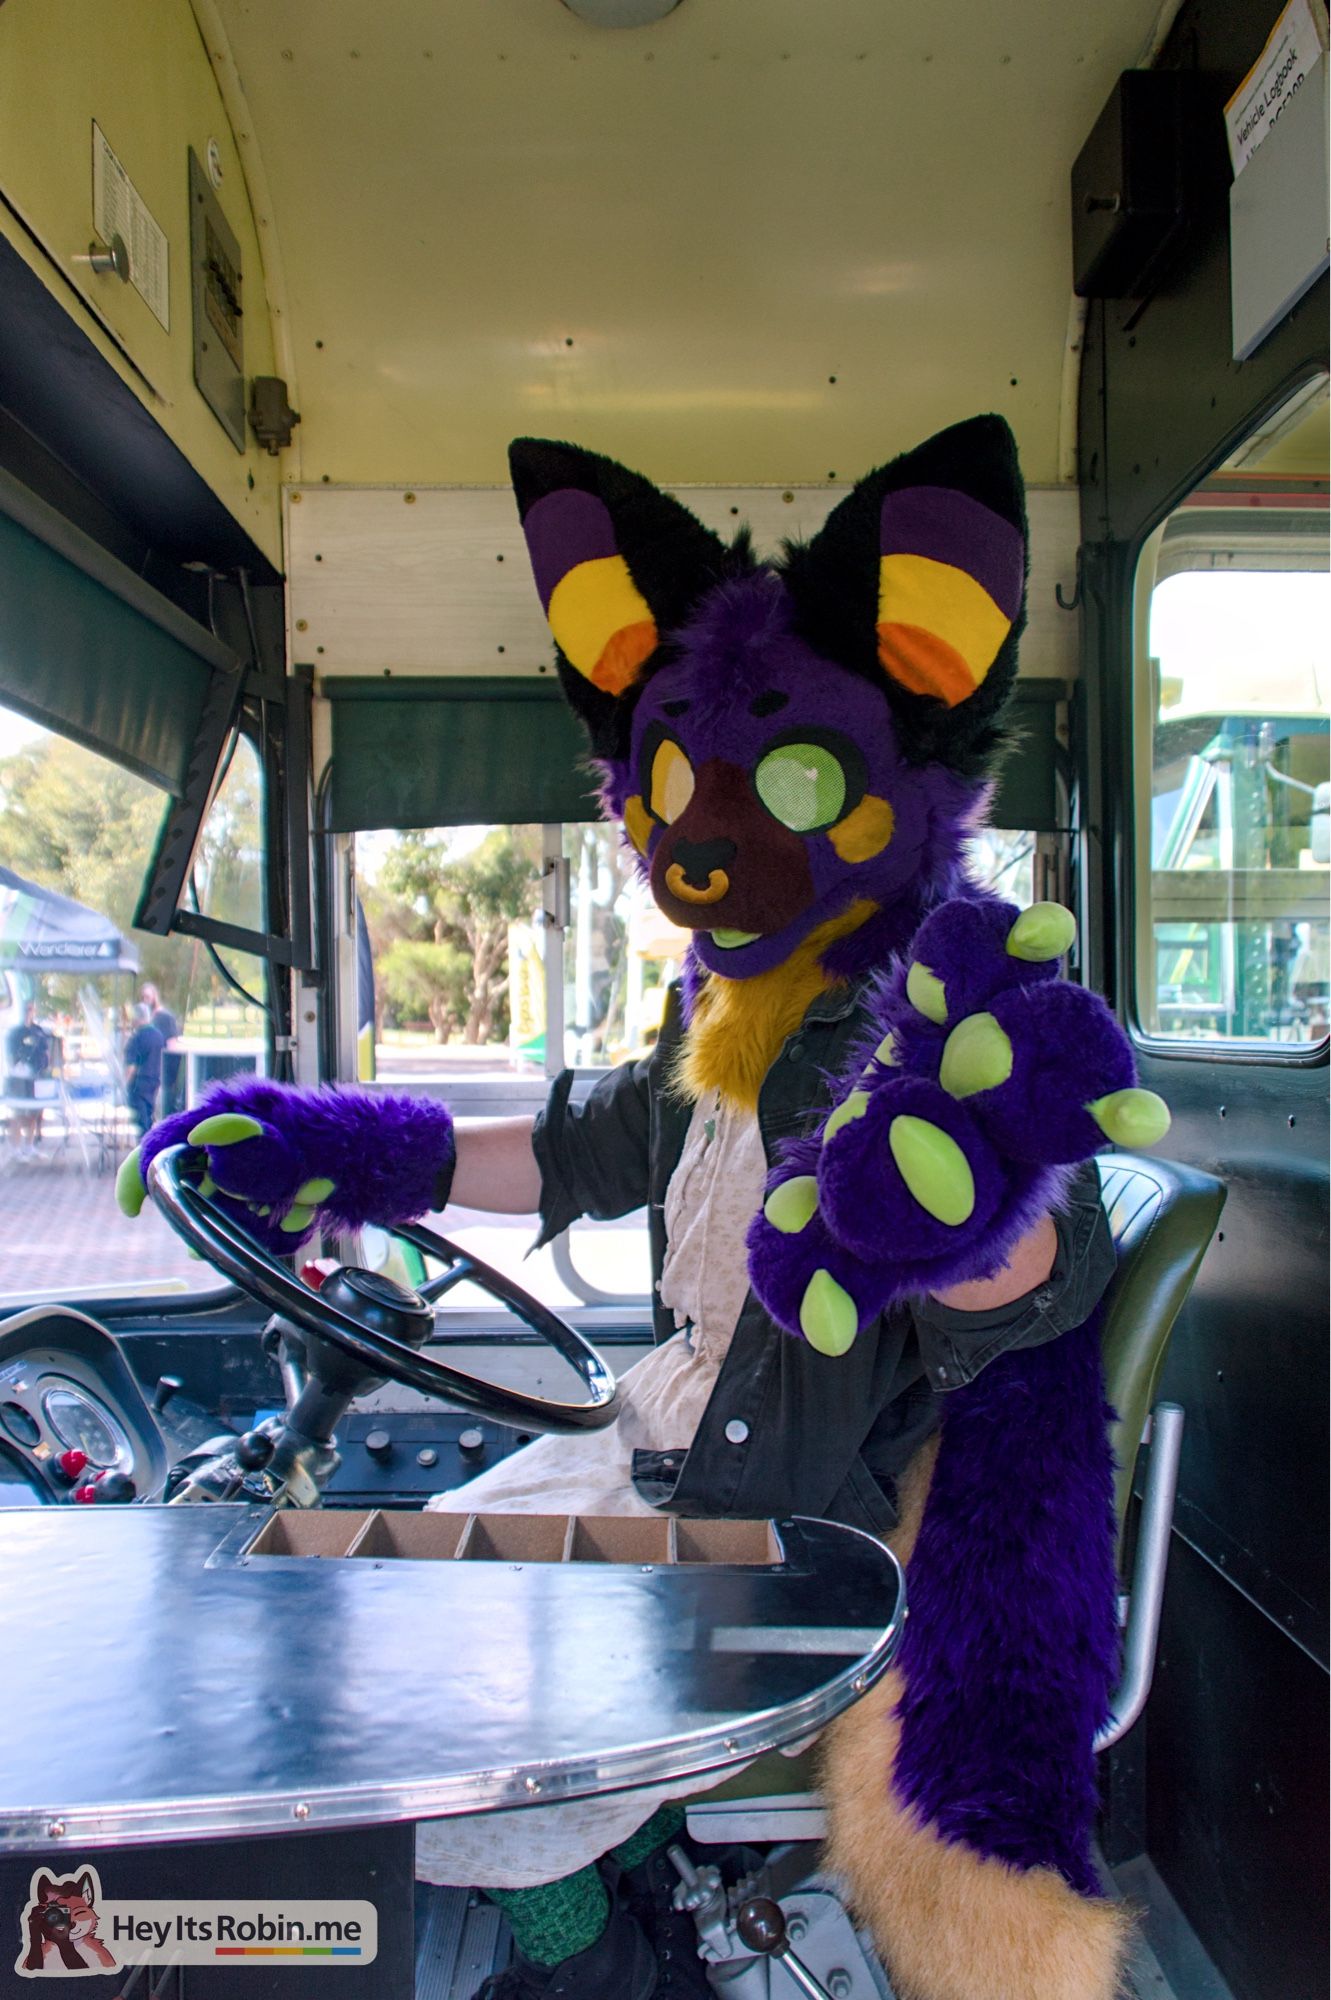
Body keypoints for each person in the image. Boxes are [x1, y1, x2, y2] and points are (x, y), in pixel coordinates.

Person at [124, 423, 1161, 2000]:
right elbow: (574, 1144)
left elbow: (1017, 1281)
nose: (701, 834)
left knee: (382, 1714)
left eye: (785, 779)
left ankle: (600, 1961)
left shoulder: (945, 1018)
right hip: (667, 1458)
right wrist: (338, 1148)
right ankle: (606, 1927)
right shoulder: (733, 1020)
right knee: (325, 1634)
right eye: (676, 781)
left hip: (780, 1534)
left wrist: (948, 1204)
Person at [5, 1000, 50, 1149]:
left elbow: (45, 1050)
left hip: (36, 1076)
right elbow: (11, 1056)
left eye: (31, 1009)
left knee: (34, 1113)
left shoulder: (39, 1031)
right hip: (19, 1078)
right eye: (26, 1009)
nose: (29, 1012)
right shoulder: (15, 1032)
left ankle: (29, 1145)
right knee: (18, 1113)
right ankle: (15, 1147)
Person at [122, 1004, 164, 1142]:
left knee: (141, 1124)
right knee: (149, 1118)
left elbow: (131, 1068)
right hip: (154, 1082)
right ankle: (149, 1148)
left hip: (138, 1085)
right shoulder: (159, 1035)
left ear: (136, 1019)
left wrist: (124, 1085)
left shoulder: (136, 1038)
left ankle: (142, 1154)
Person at [140, 983, 183, 1116]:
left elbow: (172, 1046)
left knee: (163, 1112)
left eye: (148, 996)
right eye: (143, 997)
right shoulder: (146, 1019)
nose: (145, 1000)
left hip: (163, 1075)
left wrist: (167, 1076)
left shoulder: (165, 1018)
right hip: (147, 1074)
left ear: (154, 997)